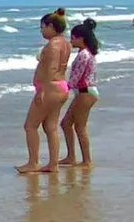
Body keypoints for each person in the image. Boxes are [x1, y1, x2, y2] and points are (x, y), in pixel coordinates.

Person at [17, 10, 70, 174]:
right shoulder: (66, 43)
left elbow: (52, 67)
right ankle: (53, 164)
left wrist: (42, 91)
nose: (41, 31)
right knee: (50, 127)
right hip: (62, 86)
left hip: (50, 88)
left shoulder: (53, 45)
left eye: (43, 27)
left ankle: (33, 162)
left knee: (30, 126)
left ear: (51, 26)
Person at [60, 19, 100, 168]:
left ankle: (86, 160)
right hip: (84, 92)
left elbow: (76, 77)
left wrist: (61, 88)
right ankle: (71, 157)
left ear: (80, 38)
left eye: (73, 37)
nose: (71, 40)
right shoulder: (87, 53)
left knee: (80, 127)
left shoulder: (83, 55)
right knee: (66, 124)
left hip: (86, 93)